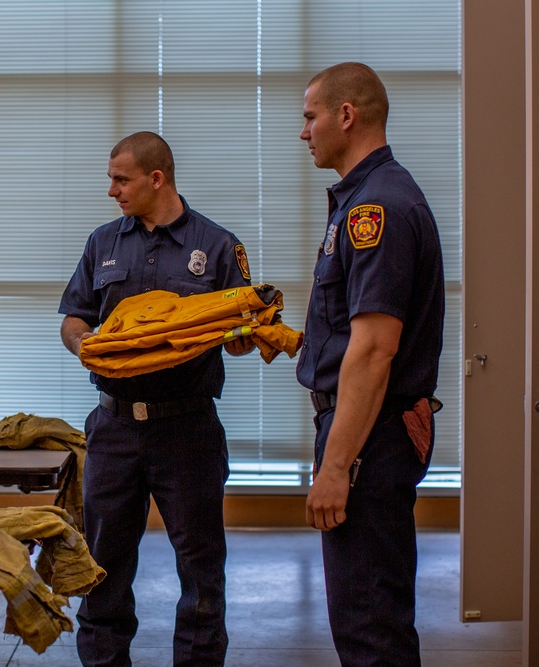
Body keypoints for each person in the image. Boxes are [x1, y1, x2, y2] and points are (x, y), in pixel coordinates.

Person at [59, 131, 254, 667]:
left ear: (156, 178)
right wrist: (85, 345)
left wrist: (240, 337)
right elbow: (75, 317)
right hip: (114, 428)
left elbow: (238, 337)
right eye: (111, 180)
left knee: (200, 570)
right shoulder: (103, 243)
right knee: (102, 567)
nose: (112, 191)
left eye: (120, 180)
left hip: (186, 430)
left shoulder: (216, 246)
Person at [296, 62, 444, 666]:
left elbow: (376, 350)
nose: (303, 132)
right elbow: (352, 331)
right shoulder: (366, 198)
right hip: (369, 434)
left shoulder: (374, 209)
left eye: (310, 117)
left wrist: (336, 468)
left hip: (368, 440)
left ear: (346, 116)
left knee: (369, 627)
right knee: (368, 617)